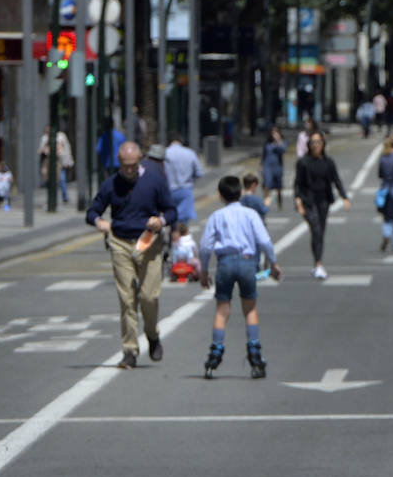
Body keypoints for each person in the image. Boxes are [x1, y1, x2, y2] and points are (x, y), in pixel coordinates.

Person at [86, 141, 177, 368]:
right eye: (125, 166)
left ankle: (152, 335)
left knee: (149, 297)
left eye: (133, 165)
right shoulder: (111, 184)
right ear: (119, 163)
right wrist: (100, 223)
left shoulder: (154, 180)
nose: (129, 170)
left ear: (140, 161)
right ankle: (130, 350)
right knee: (127, 300)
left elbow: (172, 210)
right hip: (120, 243)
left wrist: (161, 220)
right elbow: (92, 211)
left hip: (149, 242)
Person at [199, 175, 283, 380]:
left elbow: (205, 246)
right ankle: (254, 352)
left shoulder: (216, 216)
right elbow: (264, 240)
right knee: (250, 309)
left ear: (220, 195)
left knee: (222, 310)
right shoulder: (251, 214)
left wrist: (203, 270)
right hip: (247, 262)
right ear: (240, 193)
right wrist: (273, 263)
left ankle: (215, 353)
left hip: (225, 262)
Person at [294, 130, 350, 280]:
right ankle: (318, 264)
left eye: (318, 142)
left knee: (320, 233)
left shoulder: (328, 162)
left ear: (323, 144)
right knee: (316, 229)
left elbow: (336, 180)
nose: (316, 145)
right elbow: (298, 184)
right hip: (308, 201)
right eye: (313, 142)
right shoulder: (303, 162)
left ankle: (317, 263)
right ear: (309, 145)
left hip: (324, 201)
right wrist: (298, 202)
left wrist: (344, 197)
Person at [164, 133, 203, 224]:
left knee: (170, 220)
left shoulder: (165, 153)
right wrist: (191, 181)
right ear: (181, 142)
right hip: (185, 190)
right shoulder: (190, 153)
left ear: (169, 142)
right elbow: (199, 173)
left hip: (168, 191)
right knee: (183, 222)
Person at [38, 129, 74, 205]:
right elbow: (41, 149)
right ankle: (52, 197)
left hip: (60, 162)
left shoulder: (61, 137)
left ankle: (64, 196)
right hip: (48, 162)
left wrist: (66, 159)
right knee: (49, 180)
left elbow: (66, 149)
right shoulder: (44, 138)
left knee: (62, 179)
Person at [261, 127, 287, 211]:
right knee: (267, 184)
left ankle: (280, 204)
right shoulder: (267, 143)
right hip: (267, 166)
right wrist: (261, 166)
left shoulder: (281, 142)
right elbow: (264, 154)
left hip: (277, 167)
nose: (274, 135)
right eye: (273, 133)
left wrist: (278, 140)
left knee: (278, 187)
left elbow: (283, 150)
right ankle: (266, 203)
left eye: (276, 133)